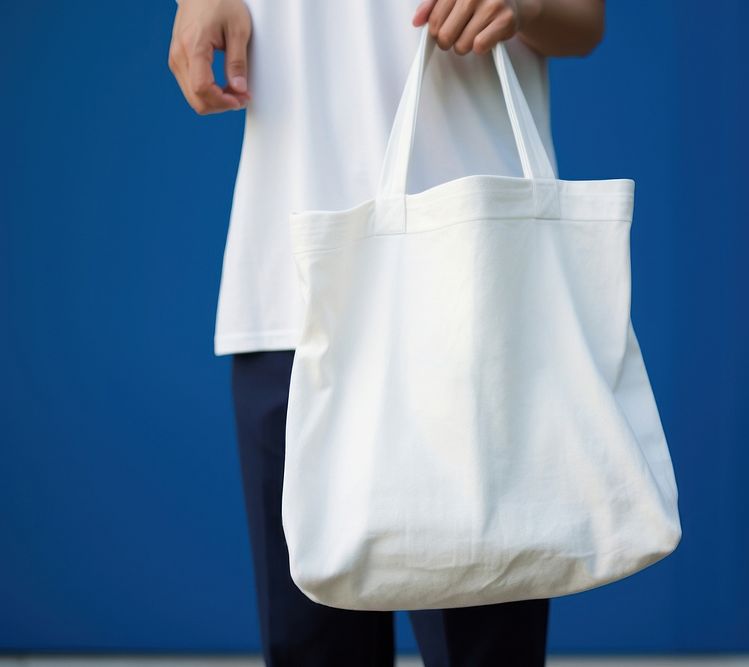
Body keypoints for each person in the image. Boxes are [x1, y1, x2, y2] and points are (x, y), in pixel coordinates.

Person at [167, 1, 604, 665]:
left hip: (472, 286)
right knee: (311, 647)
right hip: (292, 289)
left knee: (485, 649)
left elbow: (584, 20)